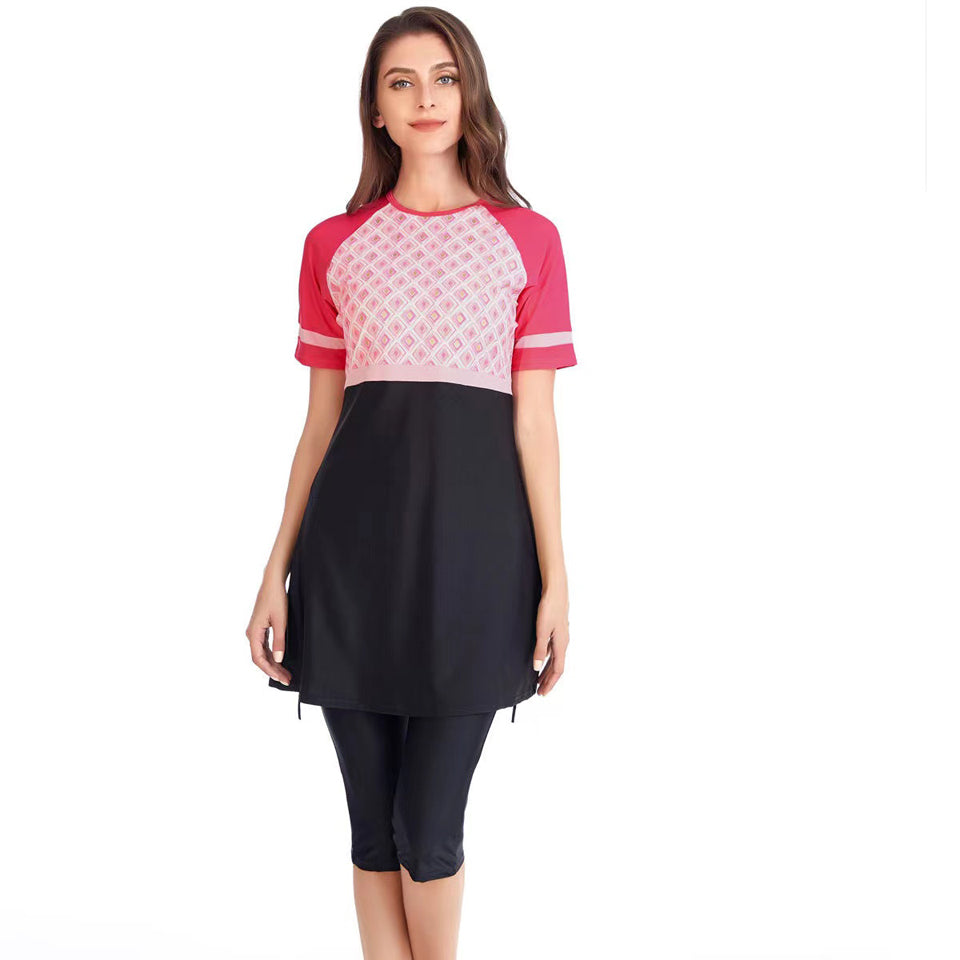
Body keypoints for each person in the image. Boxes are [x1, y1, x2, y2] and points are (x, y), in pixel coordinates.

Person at [247, 8, 576, 958]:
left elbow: (535, 425)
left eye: (443, 77)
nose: (426, 99)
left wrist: (556, 580)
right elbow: (319, 427)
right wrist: (274, 573)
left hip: (479, 571)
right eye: (402, 82)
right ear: (376, 109)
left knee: (429, 831)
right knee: (371, 830)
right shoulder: (333, 243)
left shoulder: (530, 239)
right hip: (349, 567)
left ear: (470, 93)